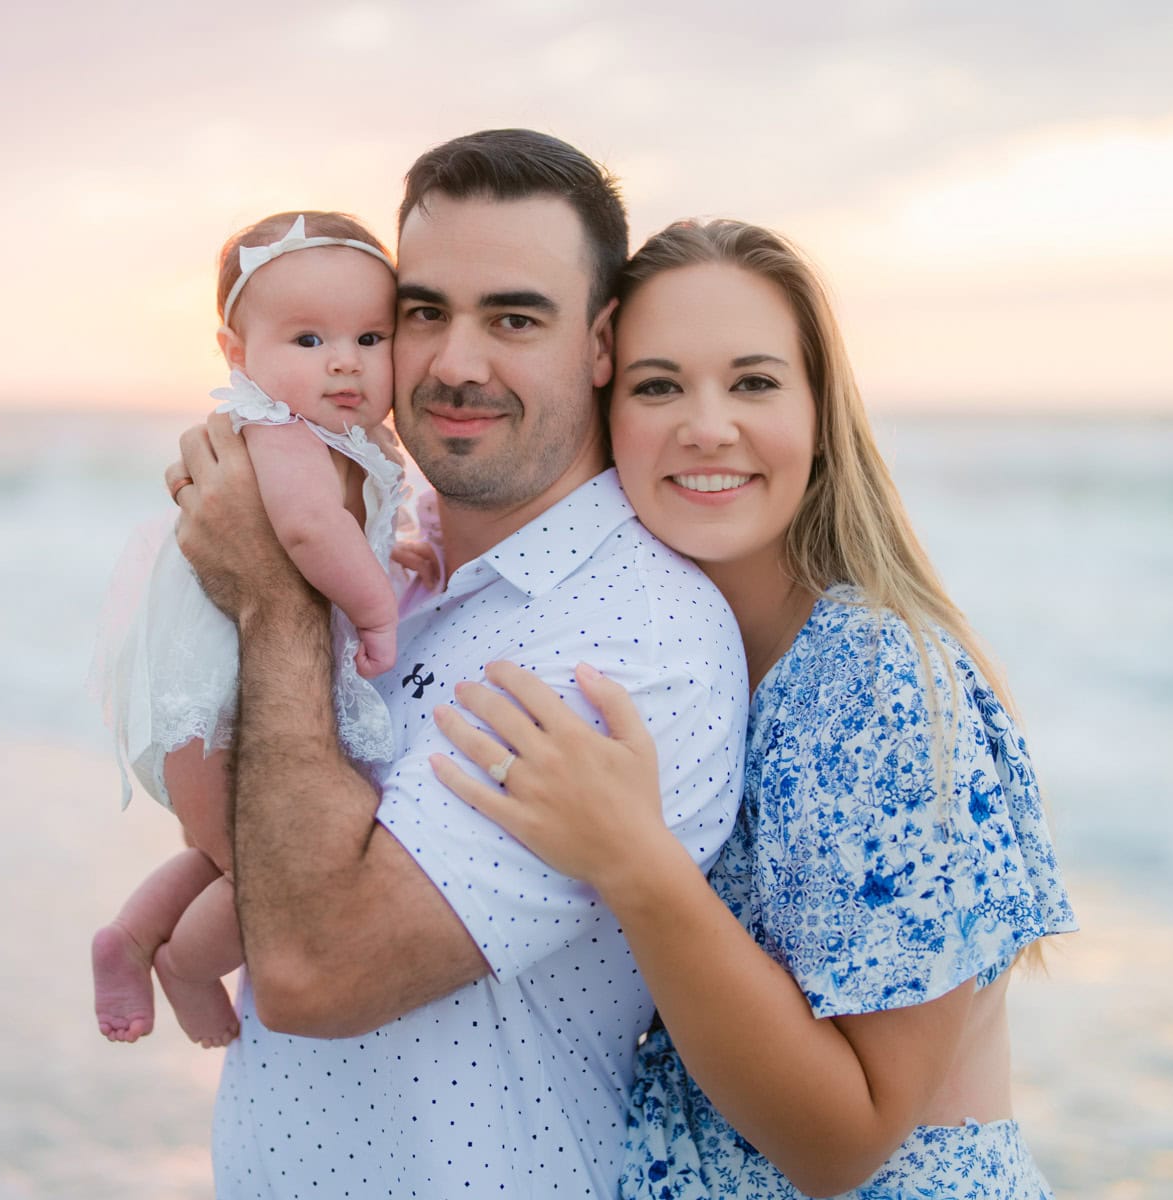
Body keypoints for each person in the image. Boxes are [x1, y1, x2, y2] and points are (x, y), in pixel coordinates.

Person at [432, 219, 1079, 1199]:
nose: (707, 425)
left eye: (755, 382)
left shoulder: (869, 676)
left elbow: (843, 1145)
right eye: (658, 385)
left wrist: (632, 861)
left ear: (822, 413)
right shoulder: (683, 660)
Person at [166, 131, 749, 1196]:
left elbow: (314, 967)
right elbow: (264, 845)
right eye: (424, 313)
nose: (454, 363)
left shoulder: (630, 638)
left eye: (514, 318)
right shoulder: (397, 558)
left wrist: (272, 596)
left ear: (604, 339)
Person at [89, 211, 407, 1049]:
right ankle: (188, 965)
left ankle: (129, 935)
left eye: (371, 337)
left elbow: (349, 529)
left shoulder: (347, 437)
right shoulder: (282, 432)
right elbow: (309, 532)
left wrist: (394, 548)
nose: (344, 360)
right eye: (308, 340)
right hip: (221, 698)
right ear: (237, 354)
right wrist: (377, 607)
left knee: (231, 849)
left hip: (227, 692)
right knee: (269, 867)